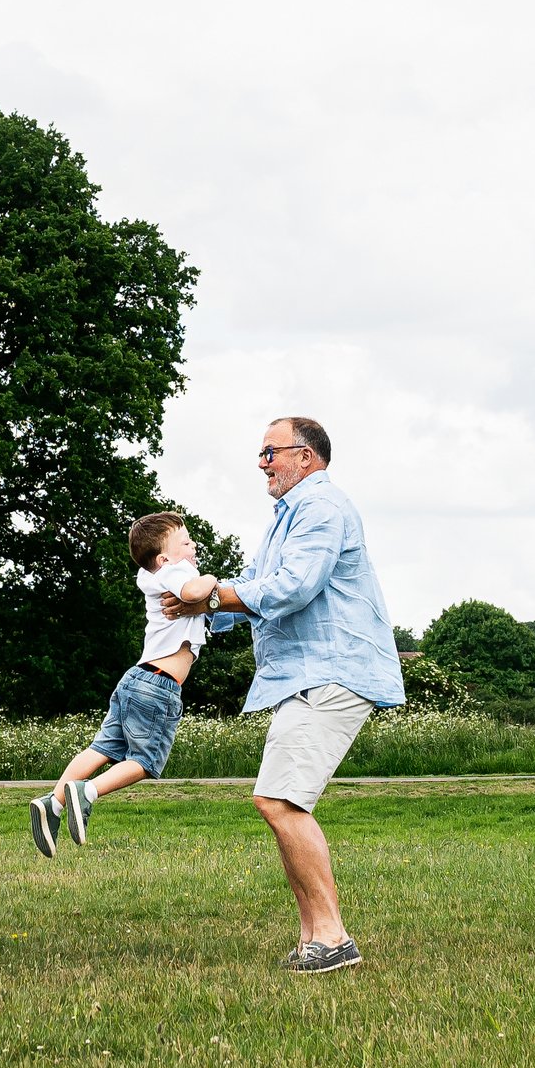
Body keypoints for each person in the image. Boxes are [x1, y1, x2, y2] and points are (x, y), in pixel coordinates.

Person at [163, 416, 402, 974]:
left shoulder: (320, 507)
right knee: (278, 801)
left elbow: (293, 587)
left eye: (271, 452)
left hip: (333, 671)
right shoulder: (287, 518)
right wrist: (185, 612)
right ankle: (314, 936)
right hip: (307, 675)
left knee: (280, 802)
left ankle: (333, 937)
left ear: (307, 457)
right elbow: (254, 585)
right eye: (261, 454)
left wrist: (210, 598)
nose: (263, 463)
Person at [29, 511, 207, 856]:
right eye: (186, 541)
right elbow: (195, 590)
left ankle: (54, 802)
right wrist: (212, 578)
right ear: (164, 557)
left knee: (100, 750)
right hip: (159, 685)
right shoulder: (178, 571)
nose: (193, 544)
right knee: (145, 760)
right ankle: (88, 792)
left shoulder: (152, 575)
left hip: (137, 679)